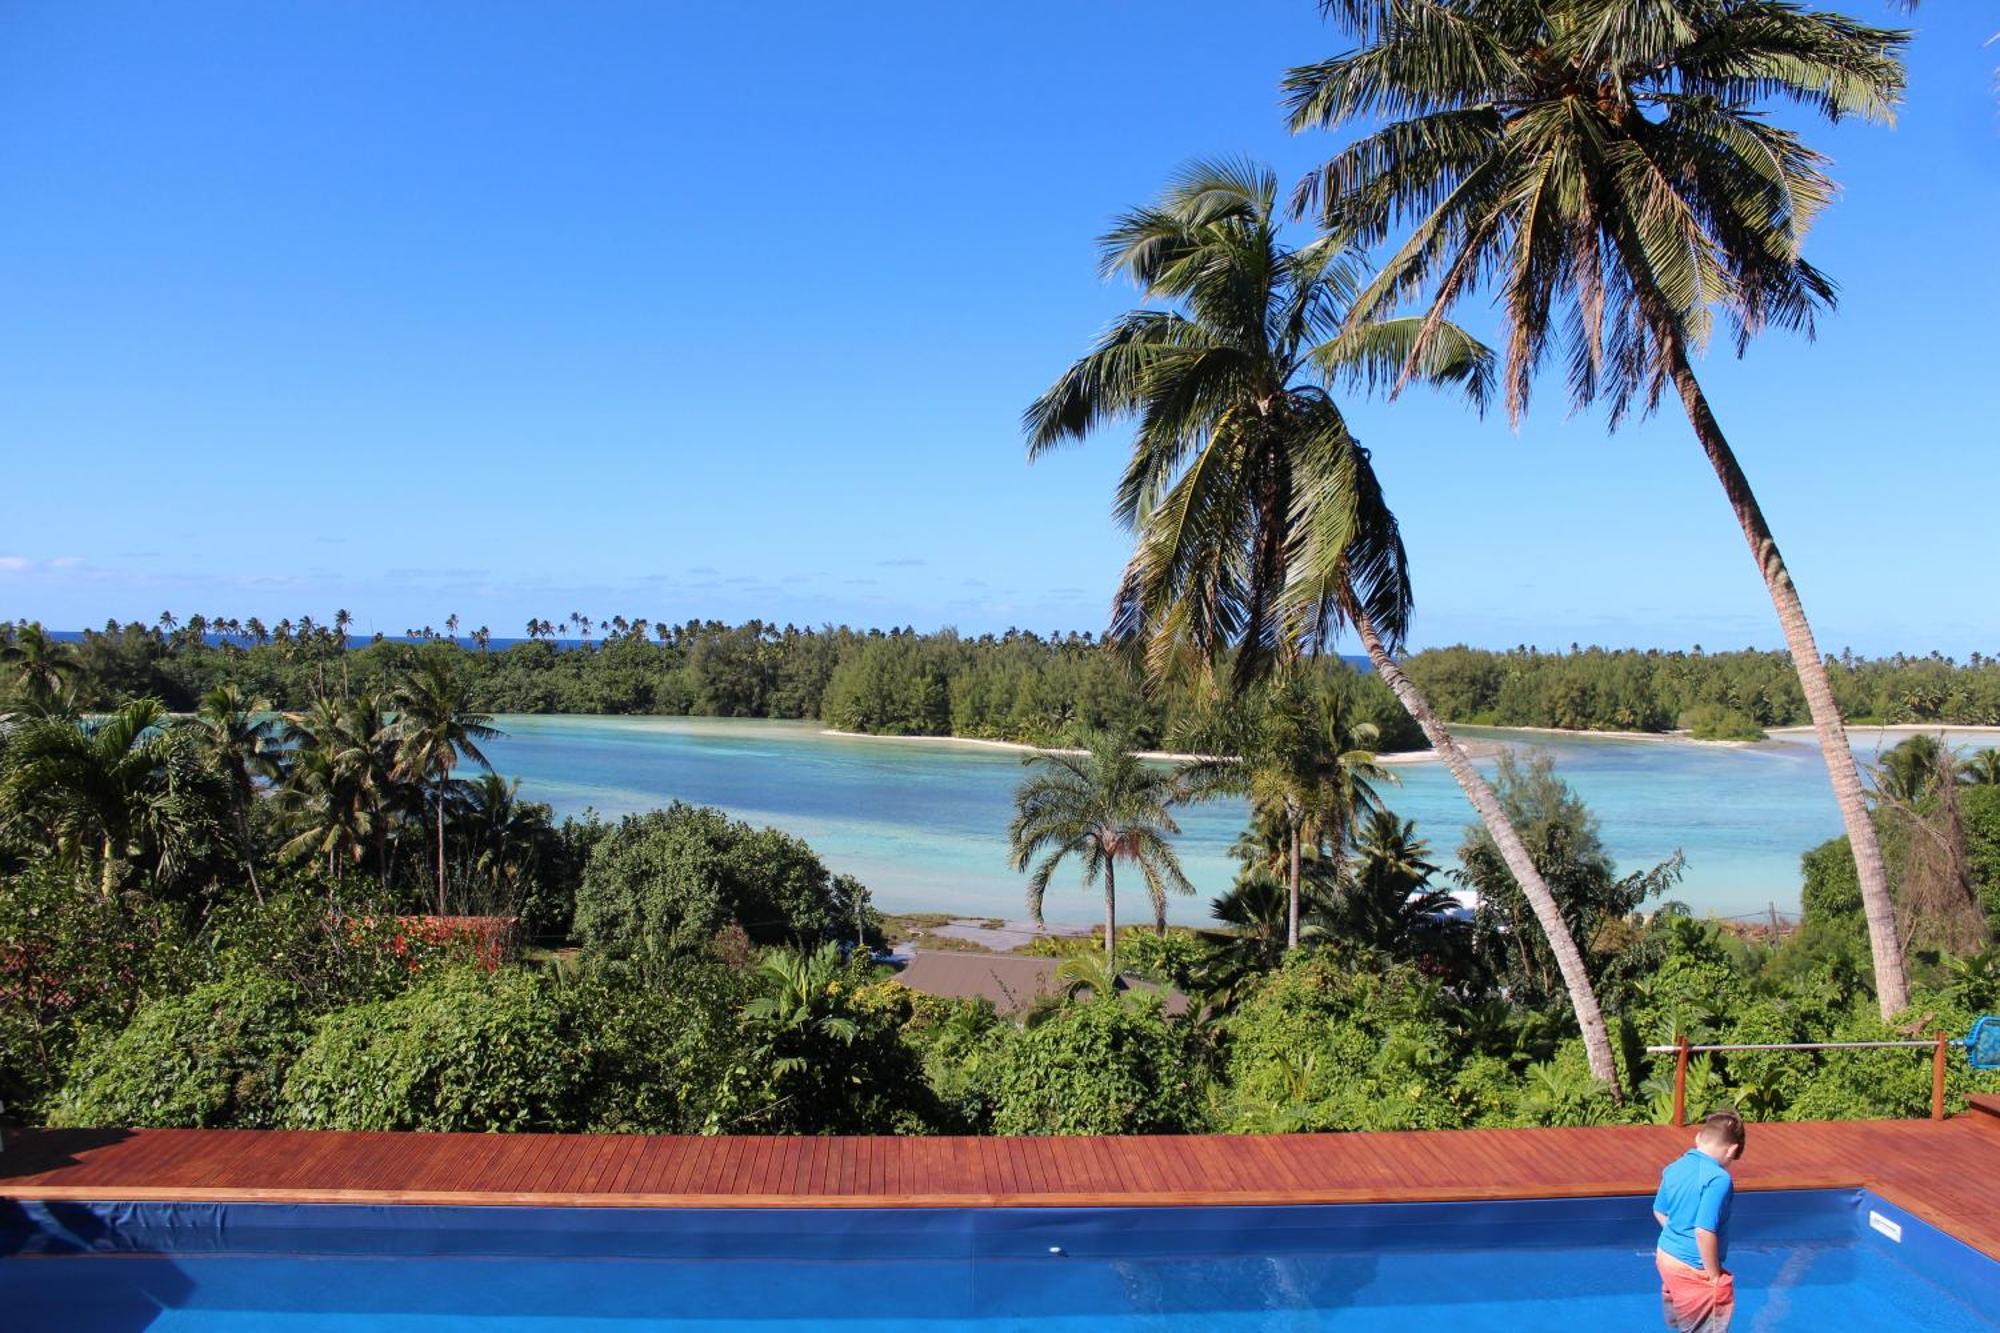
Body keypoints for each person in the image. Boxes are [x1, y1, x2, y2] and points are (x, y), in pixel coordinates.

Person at [1651, 1109, 1746, 1331]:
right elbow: (1703, 1231)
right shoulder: (1718, 1179)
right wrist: (1713, 1277)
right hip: (1692, 1268)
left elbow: (1659, 1211)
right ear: (1732, 1150)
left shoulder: (1674, 1168)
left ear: (1698, 1138)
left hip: (1666, 1258)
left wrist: (1678, 1234)